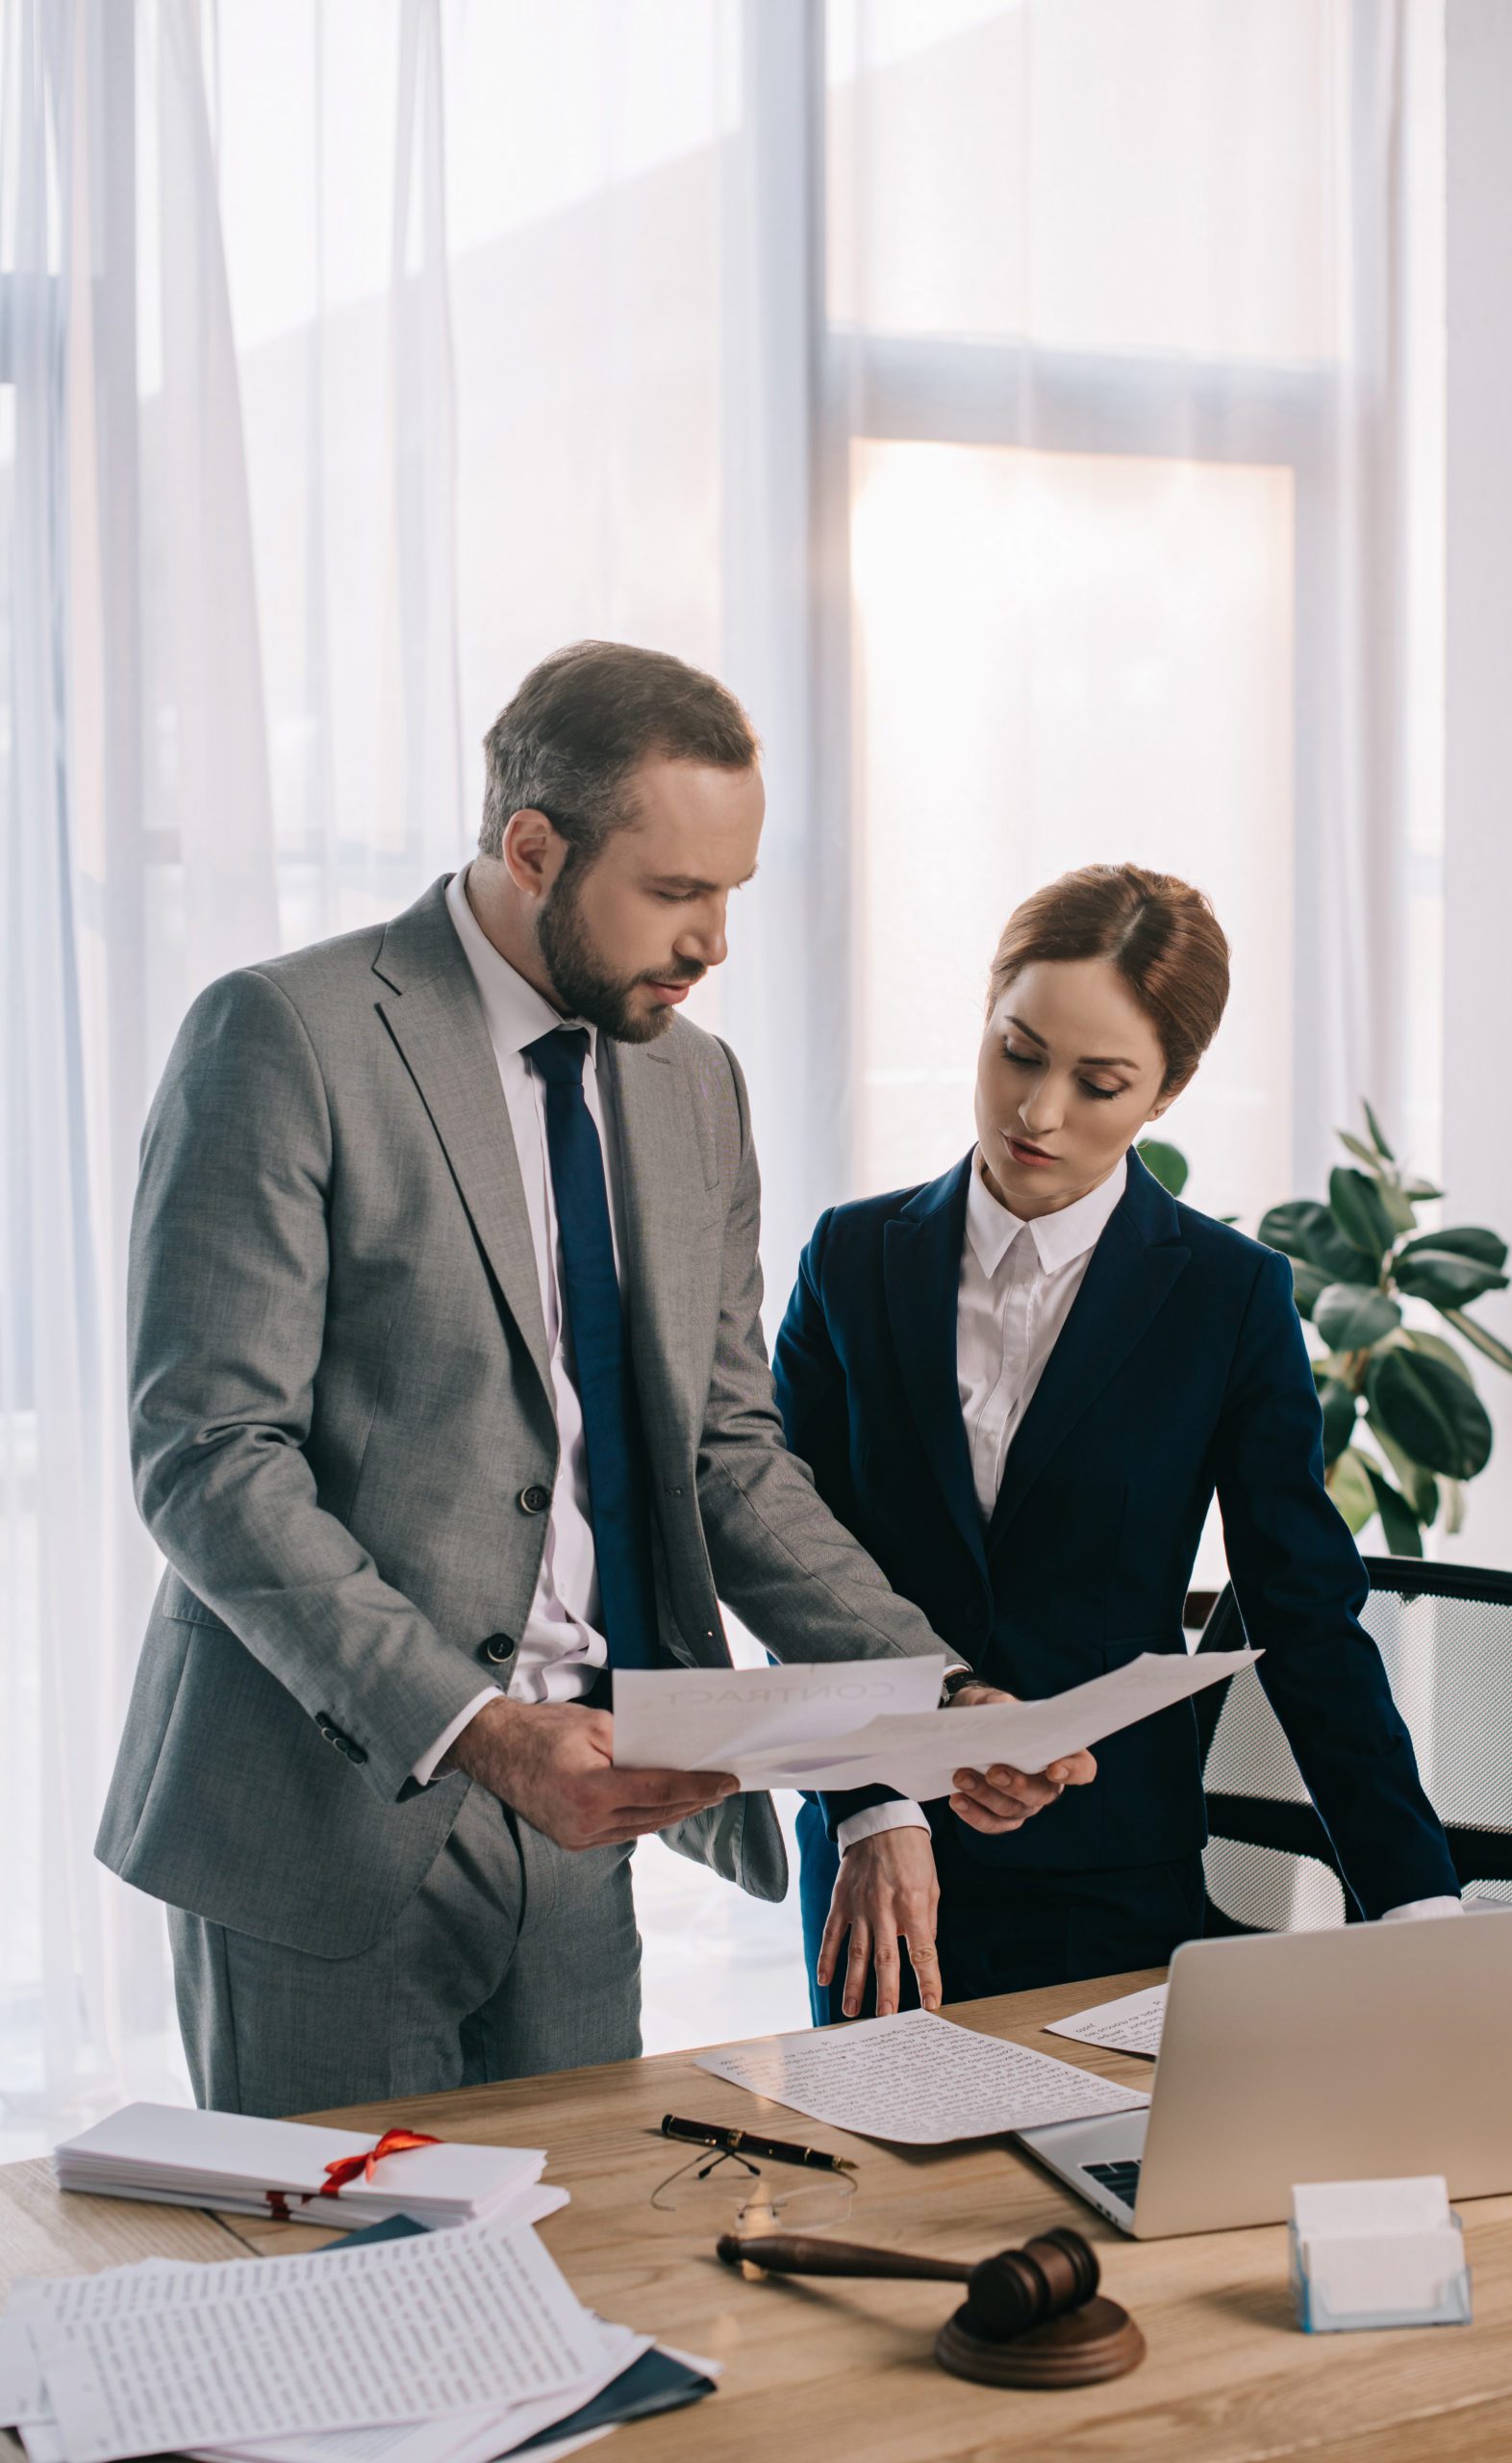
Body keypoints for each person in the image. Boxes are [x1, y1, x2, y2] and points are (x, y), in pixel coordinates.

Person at [99, 641, 1093, 2116]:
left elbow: (730, 1456)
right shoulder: (284, 1036)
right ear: (532, 848)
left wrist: (929, 1696)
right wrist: (480, 1731)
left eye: (734, 894)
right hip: (324, 1819)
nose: (714, 943)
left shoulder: (697, 1085)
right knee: (347, 2309)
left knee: (573, 2283)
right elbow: (210, 1454)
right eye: (677, 893)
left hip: (588, 1829)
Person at [775, 862, 1462, 2025]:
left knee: (1113, 2190)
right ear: (987, 1010)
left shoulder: (1229, 1297)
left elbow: (1302, 1611)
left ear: (1168, 1089)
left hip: (1108, 1872)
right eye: (1016, 1050)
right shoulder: (851, 1258)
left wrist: (1415, 1903)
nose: (1036, 1112)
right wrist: (876, 1805)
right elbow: (789, 1556)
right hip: (882, 1856)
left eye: (1098, 1084)